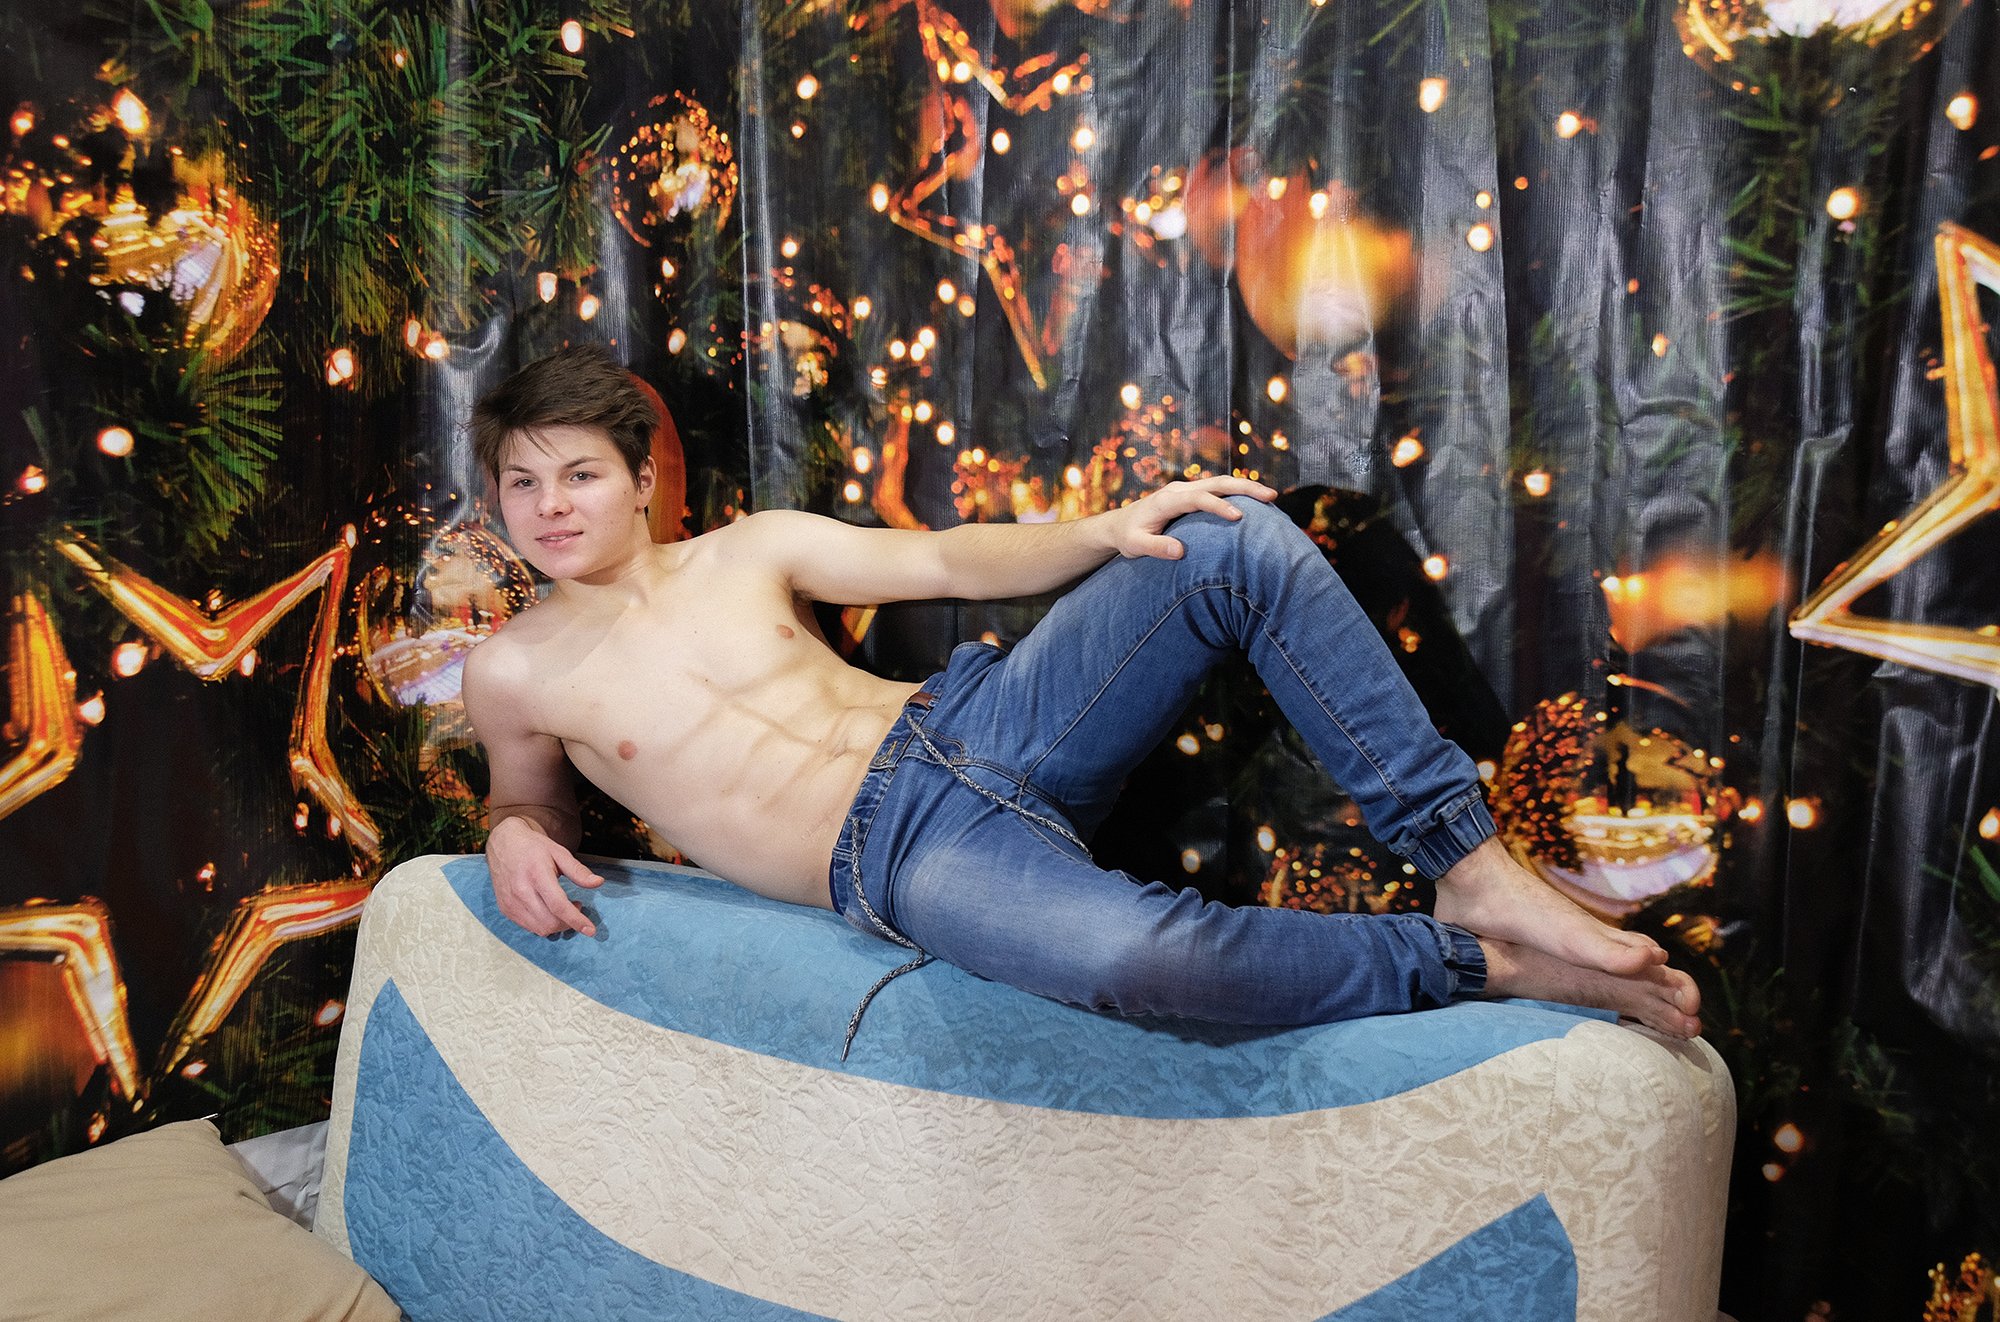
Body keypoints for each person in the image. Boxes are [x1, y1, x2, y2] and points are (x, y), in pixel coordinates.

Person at [461, 345, 1702, 1053]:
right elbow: (529, 802)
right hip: (902, 861)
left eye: (580, 473)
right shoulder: (513, 668)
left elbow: (949, 560)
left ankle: (1465, 860)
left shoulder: (748, 548)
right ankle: (1480, 960)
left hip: (978, 720)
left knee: (1224, 538)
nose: (552, 505)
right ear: (497, 500)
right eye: (523, 484)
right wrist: (512, 830)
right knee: (1137, 958)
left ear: (640, 478)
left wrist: (1108, 529)